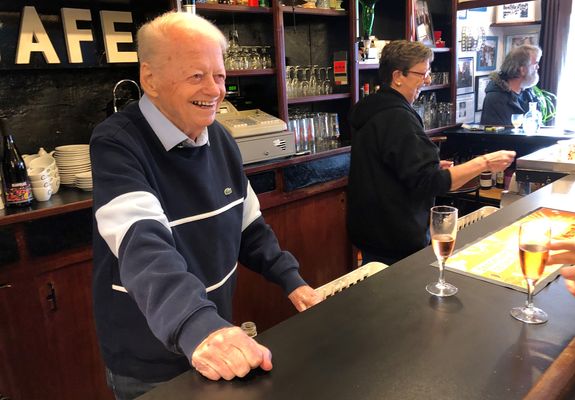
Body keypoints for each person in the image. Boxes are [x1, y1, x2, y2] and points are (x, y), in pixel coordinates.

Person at [90, 12, 322, 399]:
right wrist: (200, 326)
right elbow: (144, 246)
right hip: (150, 358)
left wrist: (292, 281)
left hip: (211, 337)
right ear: (150, 79)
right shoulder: (117, 143)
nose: (215, 90)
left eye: (220, 76)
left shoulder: (220, 137)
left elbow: (250, 229)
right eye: (196, 76)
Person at [347, 40, 516, 265]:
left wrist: (430, 166)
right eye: (422, 74)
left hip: (371, 231)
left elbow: (386, 168)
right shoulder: (398, 117)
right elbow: (433, 183)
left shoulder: (370, 108)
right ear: (398, 75)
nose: (427, 80)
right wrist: (484, 162)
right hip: (395, 238)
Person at [480, 45, 542, 126]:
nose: (538, 67)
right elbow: (495, 136)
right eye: (535, 63)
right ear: (522, 69)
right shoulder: (495, 99)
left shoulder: (528, 93)